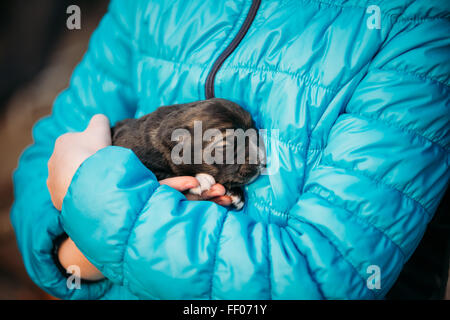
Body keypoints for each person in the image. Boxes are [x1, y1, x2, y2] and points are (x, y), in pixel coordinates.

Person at [11, 0, 449, 299]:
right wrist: (77, 252)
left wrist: (96, 213)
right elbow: (40, 166)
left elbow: (321, 279)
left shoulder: (416, 23)